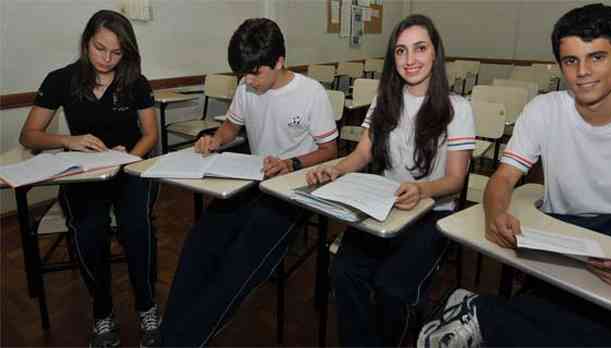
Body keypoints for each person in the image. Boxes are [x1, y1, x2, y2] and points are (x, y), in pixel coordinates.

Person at [421, 3, 611, 347]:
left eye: (597, 57)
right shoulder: (544, 110)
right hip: (561, 237)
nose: (582, 71)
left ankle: (482, 315)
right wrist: (495, 213)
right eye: (571, 61)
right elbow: (503, 177)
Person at [159, 18, 338, 347]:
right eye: (243, 74)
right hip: (252, 182)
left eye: (255, 73)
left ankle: (182, 341)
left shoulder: (311, 94)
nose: (248, 81)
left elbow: (330, 150)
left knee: (238, 265)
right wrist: (214, 139)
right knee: (199, 243)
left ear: (280, 61)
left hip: (292, 190)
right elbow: (230, 128)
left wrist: (291, 163)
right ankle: (168, 333)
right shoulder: (246, 88)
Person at [306, 14, 475, 347]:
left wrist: (422, 189)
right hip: (384, 206)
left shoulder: (457, 108)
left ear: (435, 52)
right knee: (344, 272)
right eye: (400, 51)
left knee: (392, 287)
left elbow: (456, 180)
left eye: (419, 48)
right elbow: (363, 153)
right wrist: (336, 169)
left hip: (431, 213)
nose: (410, 60)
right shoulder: (385, 99)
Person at [19, 10, 160, 348]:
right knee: (88, 229)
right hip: (84, 176)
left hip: (127, 169)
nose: (107, 59)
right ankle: (102, 313)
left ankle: (147, 307)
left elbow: (150, 134)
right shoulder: (60, 80)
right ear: (86, 44)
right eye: (100, 49)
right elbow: (30, 135)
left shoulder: (136, 82)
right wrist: (68, 140)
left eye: (117, 53)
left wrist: (130, 157)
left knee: (138, 227)